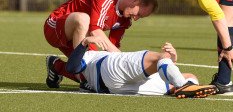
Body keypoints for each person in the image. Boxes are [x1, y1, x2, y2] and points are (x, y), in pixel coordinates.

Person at [44, 0, 158, 90]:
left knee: (96, 77)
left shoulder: (125, 20)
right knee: (83, 19)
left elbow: (111, 48)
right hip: (54, 27)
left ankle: (56, 66)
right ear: (135, 1)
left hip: (81, 37)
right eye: (139, 14)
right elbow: (95, 30)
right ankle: (85, 78)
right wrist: (125, 59)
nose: (136, 18)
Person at [63, 36, 216, 98]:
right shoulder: (90, 56)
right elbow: (72, 68)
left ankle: (184, 87)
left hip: (114, 86)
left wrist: (172, 59)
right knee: (158, 58)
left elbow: (166, 69)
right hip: (108, 69)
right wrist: (84, 43)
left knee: (191, 77)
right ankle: (184, 86)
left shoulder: (161, 85)